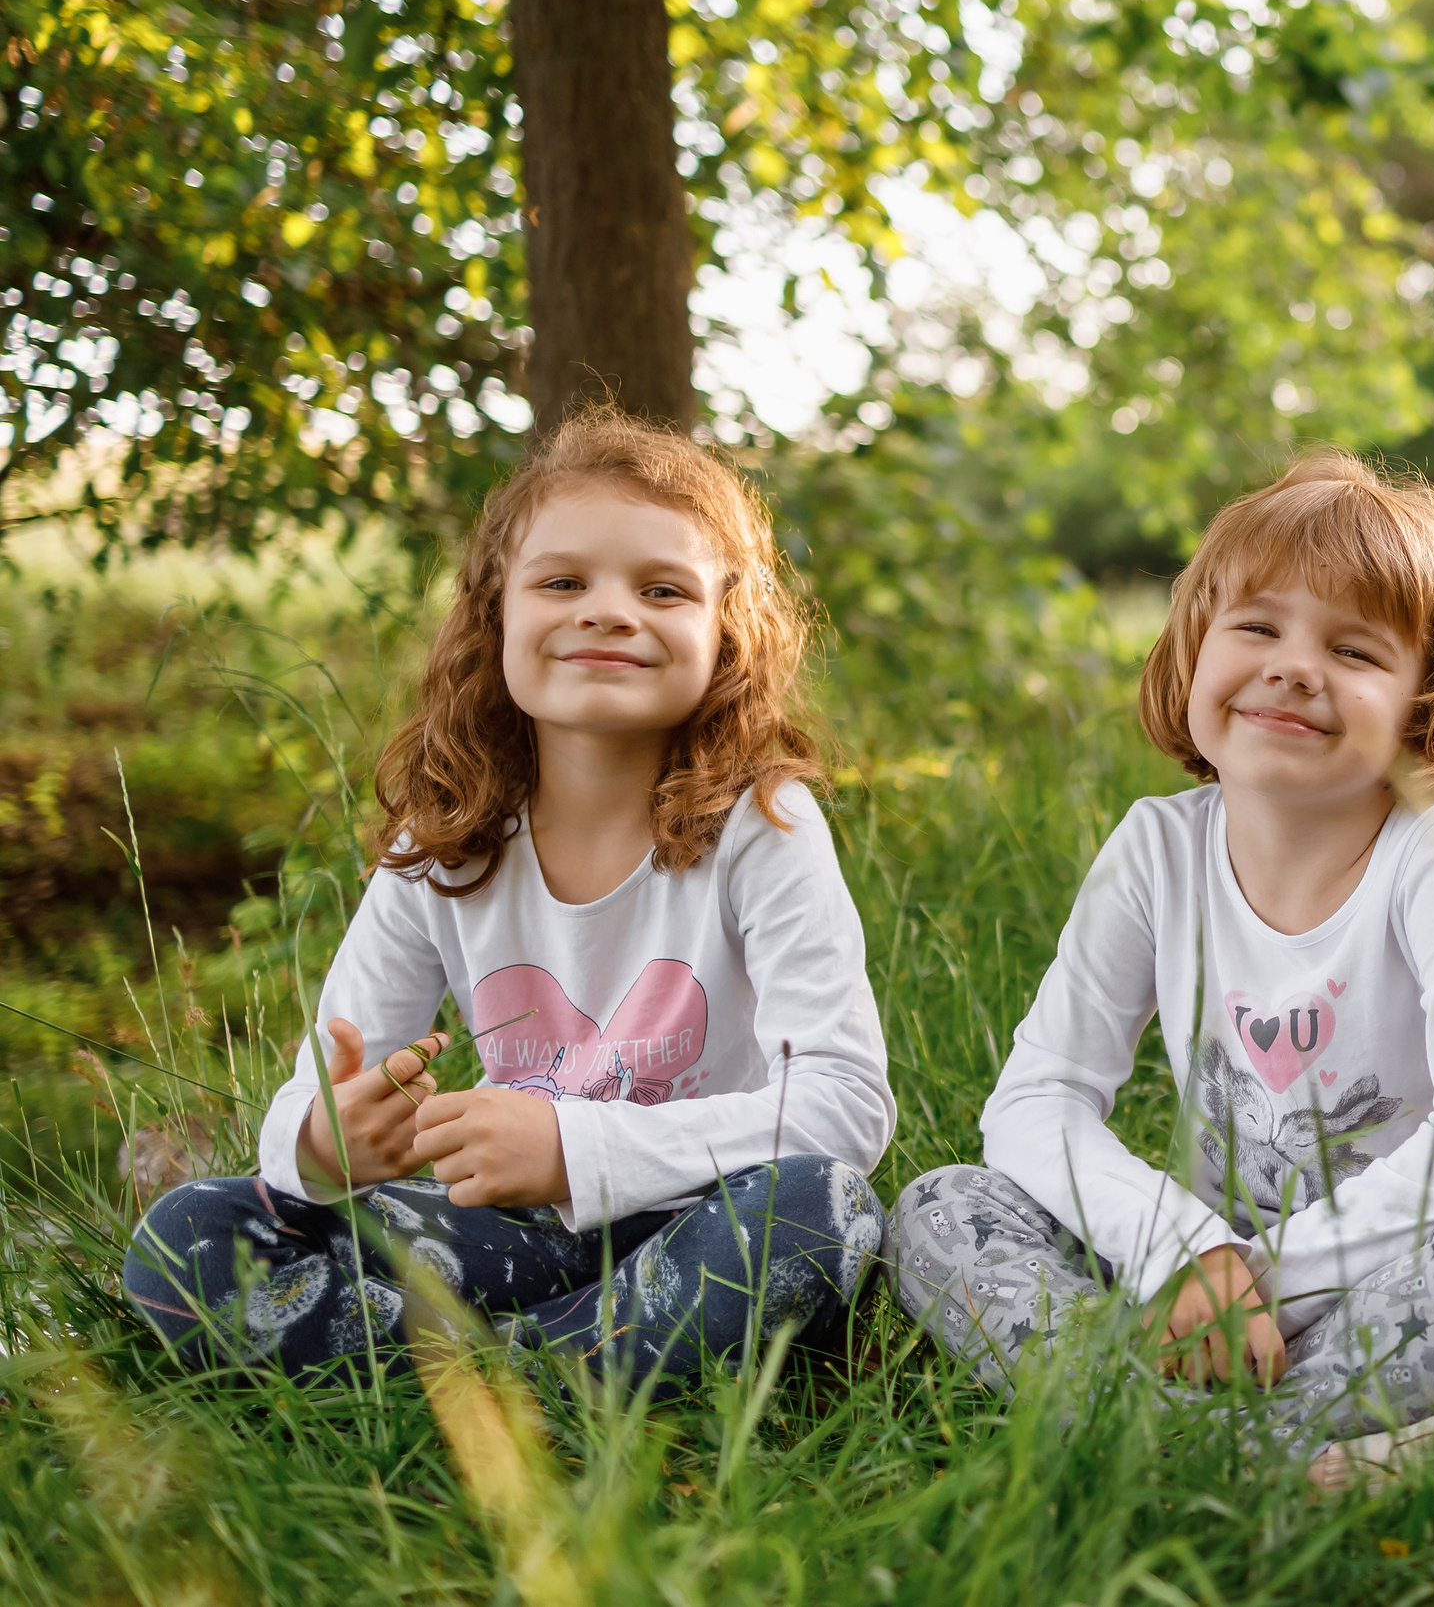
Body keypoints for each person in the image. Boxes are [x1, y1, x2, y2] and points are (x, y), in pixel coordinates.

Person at [124, 409, 895, 1386]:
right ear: (497, 615)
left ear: (726, 633)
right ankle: (576, 1360)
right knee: (195, 1231)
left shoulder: (763, 825)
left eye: (662, 588)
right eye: (563, 581)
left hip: (707, 1211)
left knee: (823, 1206)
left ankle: (471, 1379)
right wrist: (329, 1137)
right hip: (508, 1232)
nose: (608, 610)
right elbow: (324, 1082)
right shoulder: (445, 840)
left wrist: (573, 1146)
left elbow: (844, 1106)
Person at [894, 451, 1434, 1486]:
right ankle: (1304, 1457)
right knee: (943, 1203)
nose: (1293, 666)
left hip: (1375, 1280)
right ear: (1194, 652)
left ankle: (1160, 1449)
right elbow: (1037, 1098)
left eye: (1354, 648)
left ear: (1424, 701)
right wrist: (1181, 1248)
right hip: (1187, 1283)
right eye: (1257, 626)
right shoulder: (1156, 848)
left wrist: (1255, 1277)